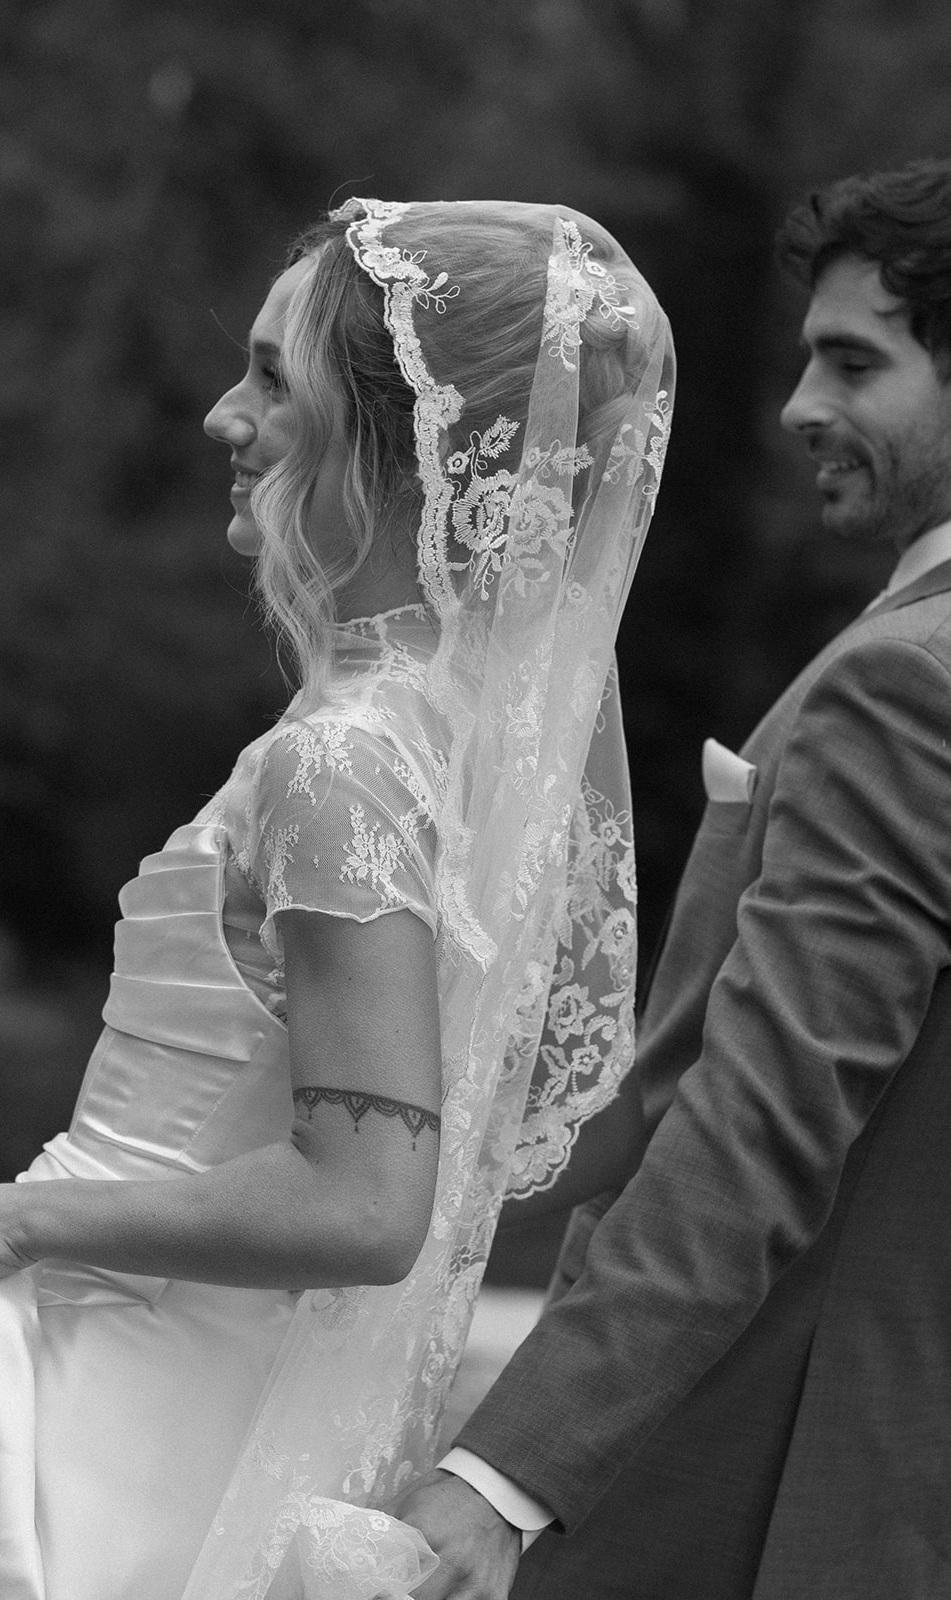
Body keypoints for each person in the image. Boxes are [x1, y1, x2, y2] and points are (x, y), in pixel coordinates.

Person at [0, 199, 673, 1599]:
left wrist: (19, 1220)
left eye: (271, 378)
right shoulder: (433, 742)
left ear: (391, 440)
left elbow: (369, 1204)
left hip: (106, 1382)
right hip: (181, 1374)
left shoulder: (346, 759)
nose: (220, 415)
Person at [398, 156, 951, 1600]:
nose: (799, 409)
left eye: (854, 361)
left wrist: (507, 1475)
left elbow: (754, 1125)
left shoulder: (905, 688)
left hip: (777, 1487)